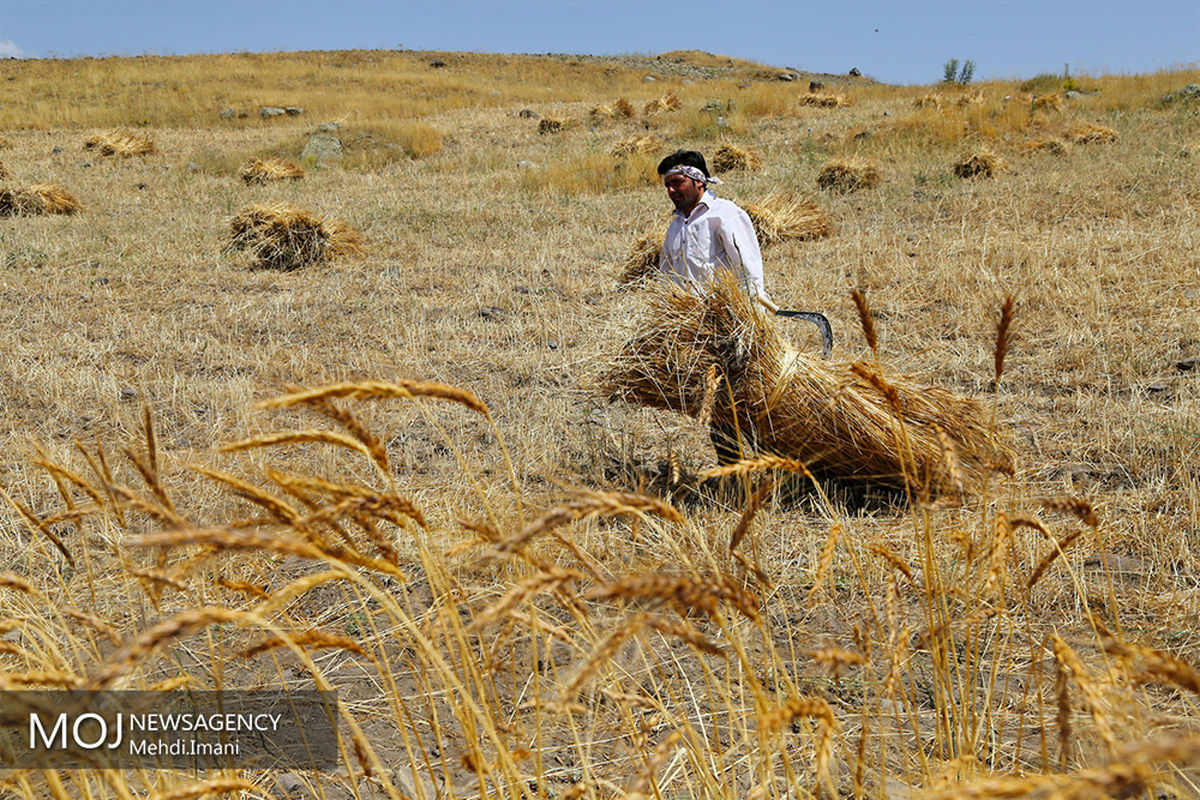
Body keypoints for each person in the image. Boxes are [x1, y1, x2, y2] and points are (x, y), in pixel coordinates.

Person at [656, 150, 775, 466]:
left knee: (751, 404)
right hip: (697, 331)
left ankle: (774, 472)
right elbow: (667, 277)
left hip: (732, 326)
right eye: (667, 185)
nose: (671, 191)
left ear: (697, 180)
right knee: (717, 408)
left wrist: (751, 323)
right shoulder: (675, 227)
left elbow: (749, 272)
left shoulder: (725, 215)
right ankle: (732, 475)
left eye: (676, 183)